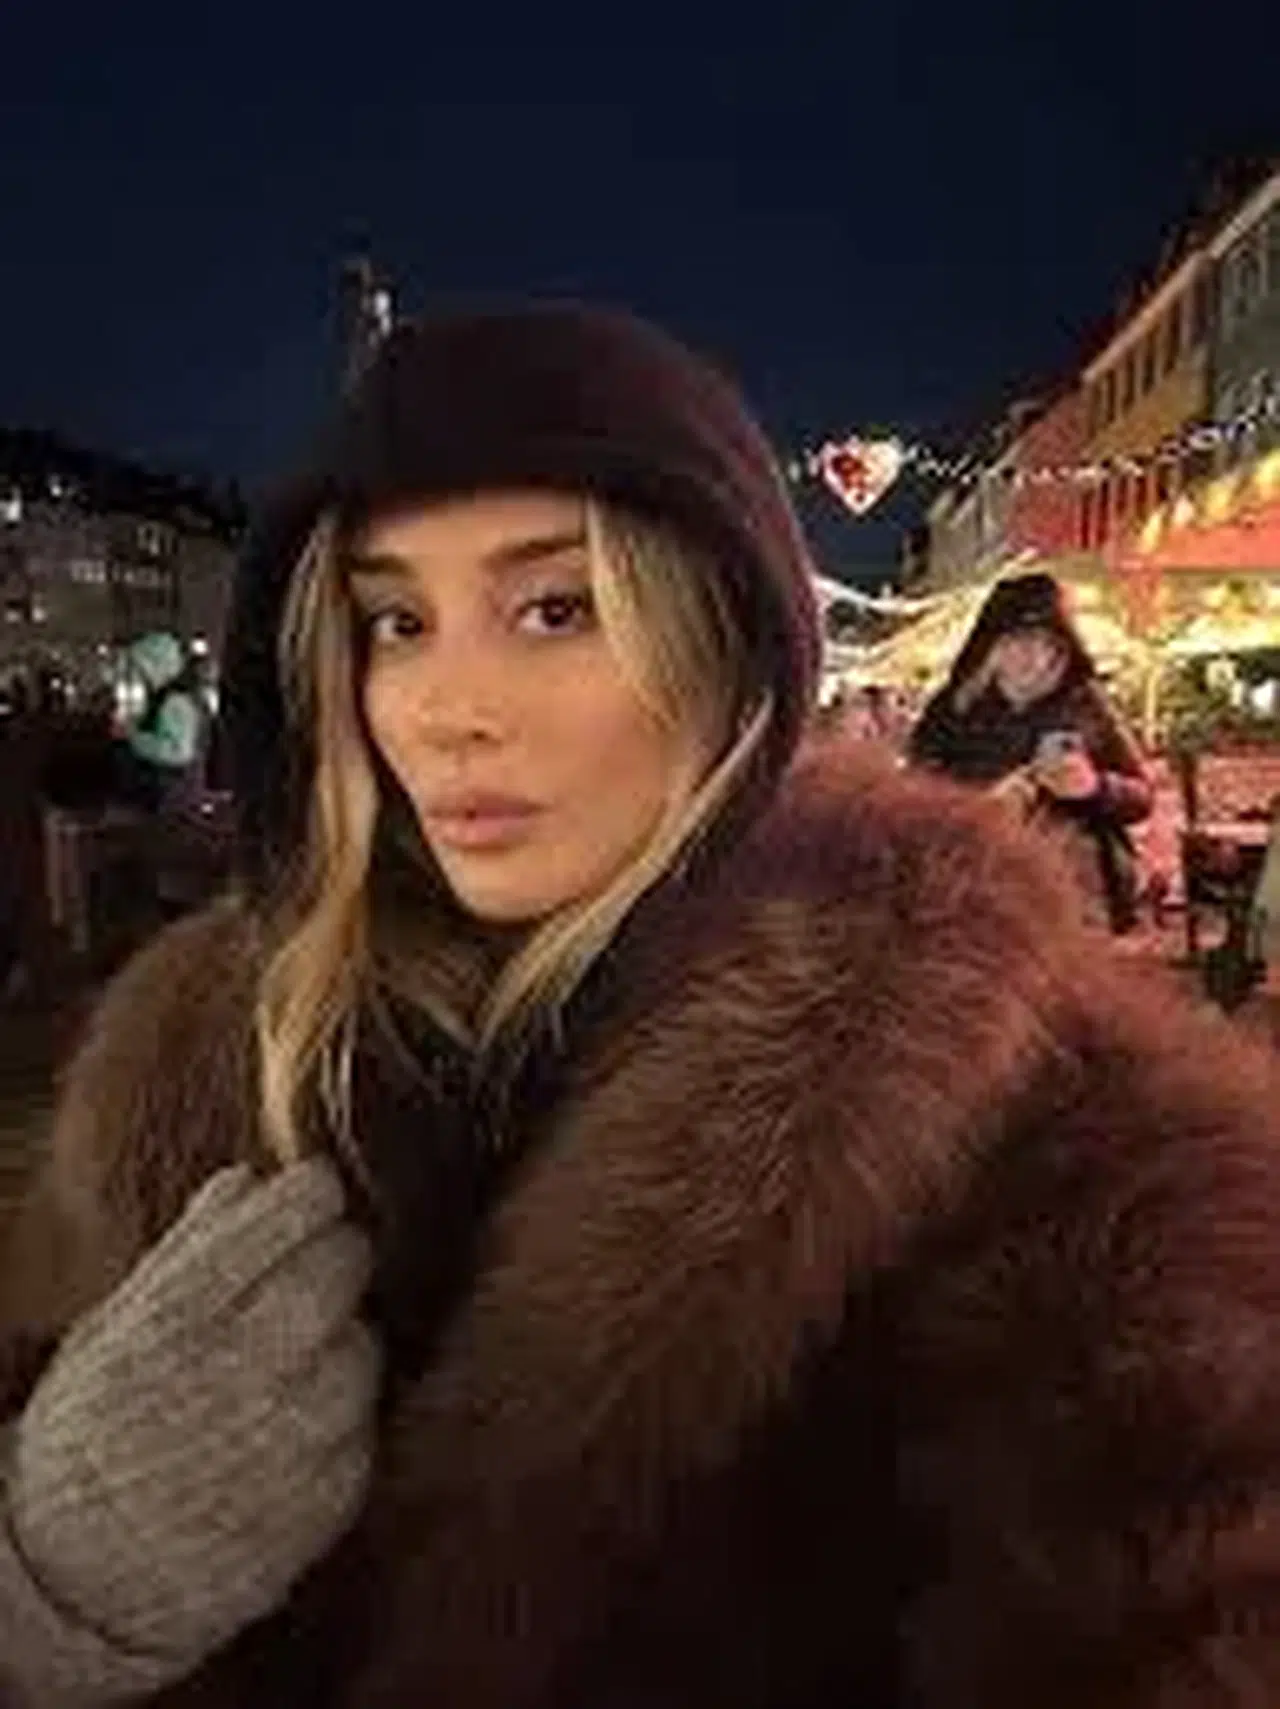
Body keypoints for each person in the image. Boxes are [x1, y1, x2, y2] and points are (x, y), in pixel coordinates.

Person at [4, 306, 1280, 1709]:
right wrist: (44, 1591)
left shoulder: (1070, 1132)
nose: (444, 708)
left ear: (726, 644)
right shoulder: (219, 1055)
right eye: (395, 621)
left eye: (557, 608)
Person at [909, 573, 1153, 932]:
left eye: (1048, 644)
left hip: (1072, 889)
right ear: (992, 645)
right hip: (974, 882)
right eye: (1020, 641)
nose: (1035, 657)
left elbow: (1142, 798)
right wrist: (980, 802)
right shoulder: (953, 708)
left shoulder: (1085, 703)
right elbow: (913, 794)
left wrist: (1096, 788)